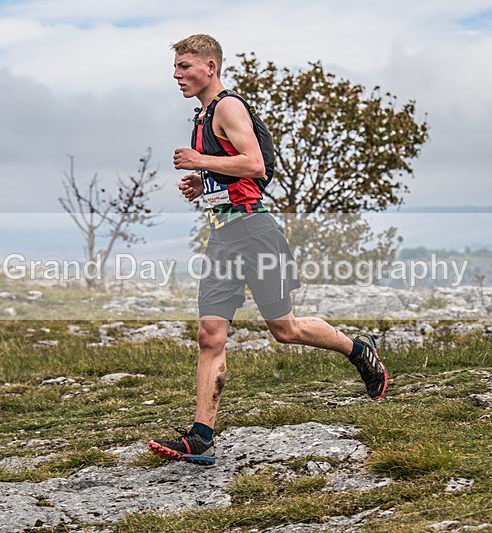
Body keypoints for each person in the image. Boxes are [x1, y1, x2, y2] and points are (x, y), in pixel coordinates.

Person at [148, 34, 388, 466]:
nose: (177, 74)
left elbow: (255, 164)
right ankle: (202, 437)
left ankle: (358, 349)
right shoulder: (203, 116)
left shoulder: (227, 106)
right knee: (210, 334)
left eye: (185, 66)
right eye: (176, 67)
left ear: (210, 67)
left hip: (256, 232)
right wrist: (203, 185)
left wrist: (200, 163)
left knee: (285, 329)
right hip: (223, 235)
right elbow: (233, 172)